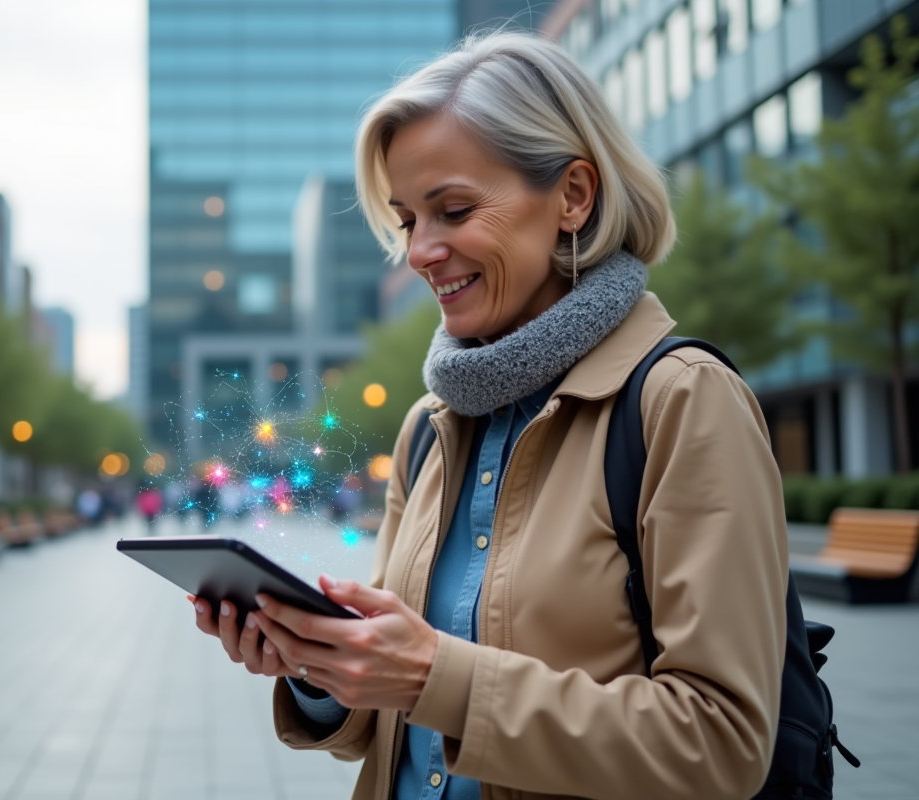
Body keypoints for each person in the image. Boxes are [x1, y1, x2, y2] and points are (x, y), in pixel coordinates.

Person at [190, 31, 788, 800]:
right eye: (408, 219)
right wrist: (320, 667)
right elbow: (396, 716)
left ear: (574, 196)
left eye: (454, 210)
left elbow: (722, 743)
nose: (420, 251)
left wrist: (437, 676)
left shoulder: (682, 401)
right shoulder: (427, 431)